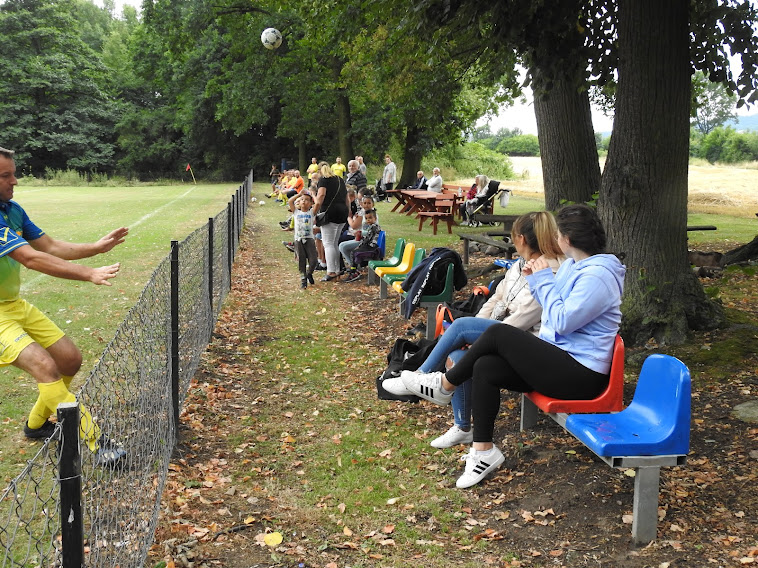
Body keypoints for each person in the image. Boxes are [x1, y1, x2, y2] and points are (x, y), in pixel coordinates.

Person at [399, 204, 625, 488]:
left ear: (567, 238)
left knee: (500, 335)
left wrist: (541, 280)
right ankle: (484, 451)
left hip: (582, 376)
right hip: (561, 360)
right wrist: (537, 279)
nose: (553, 239)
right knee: (486, 366)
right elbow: (554, 316)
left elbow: (562, 320)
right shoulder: (572, 266)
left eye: (557, 234)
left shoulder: (599, 276)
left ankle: (445, 386)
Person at [383, 212, 564, 447]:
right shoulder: (520, 265)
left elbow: (523, 319)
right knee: (458, 355)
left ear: (521, 238)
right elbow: (495, 297)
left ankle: (418, 379)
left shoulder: (548, 271)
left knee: (460, 326)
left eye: (513, 237)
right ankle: (462, 427)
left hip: (525, 343)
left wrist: (483, 338)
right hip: (502, 332)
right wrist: (478, 328)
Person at [0, 147, 128, 467]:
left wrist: (96, 249)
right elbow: (30, 258)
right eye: (5, 176)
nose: (15, 180)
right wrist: (88, 274)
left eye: (13, 172)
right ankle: (97, 440)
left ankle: (36, 425)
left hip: (14, 304)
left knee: (69, 359)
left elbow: (51, 246)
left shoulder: (12, 210)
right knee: (44, 365)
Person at [313, 162, 348, 281]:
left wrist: (313, 213)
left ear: (319, 171)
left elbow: (321, 196)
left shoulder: (323, 180)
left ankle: (331, 271)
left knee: (328, 243)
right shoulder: (340, 180)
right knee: (334, 243)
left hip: (330, 214)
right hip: (342, 212)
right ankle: (337, 269)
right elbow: (346, 197)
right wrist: (347, 211)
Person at [338, 194, 377, 273]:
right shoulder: (364, 213)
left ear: (373, 204)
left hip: (368, 242)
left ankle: (354, 267)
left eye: (369, 203)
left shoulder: (372, 215)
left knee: (343, 246)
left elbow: (371, 230)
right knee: (342, 245)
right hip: (362, 239)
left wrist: (361, 233)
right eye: (365, 203)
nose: (366, 205)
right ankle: (354, 266)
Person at [343, 209, 381, 283]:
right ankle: (354, 269)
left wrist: (359, 246)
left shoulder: (374, 227)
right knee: (354, 252)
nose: (368, 220)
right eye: (366, 218)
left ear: (375, 218)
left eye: (370, 218)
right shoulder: (371, 226)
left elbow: (367, 240)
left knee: (354, 252)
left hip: (372, 248)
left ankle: (354, 272)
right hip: (371, 246)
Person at [292, 194, 318, 289]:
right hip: (298, 240)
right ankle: (303, 279)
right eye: (302, 199)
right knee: (301, 260)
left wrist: (312, 194)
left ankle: (309, 273)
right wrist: (298, 195)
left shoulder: (311, 213)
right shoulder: (296, 212)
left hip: (309, 239)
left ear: (311, 203)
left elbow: (318, 202)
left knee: (313, 260)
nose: (303, 201)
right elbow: (290, 201)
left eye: (307, 200)